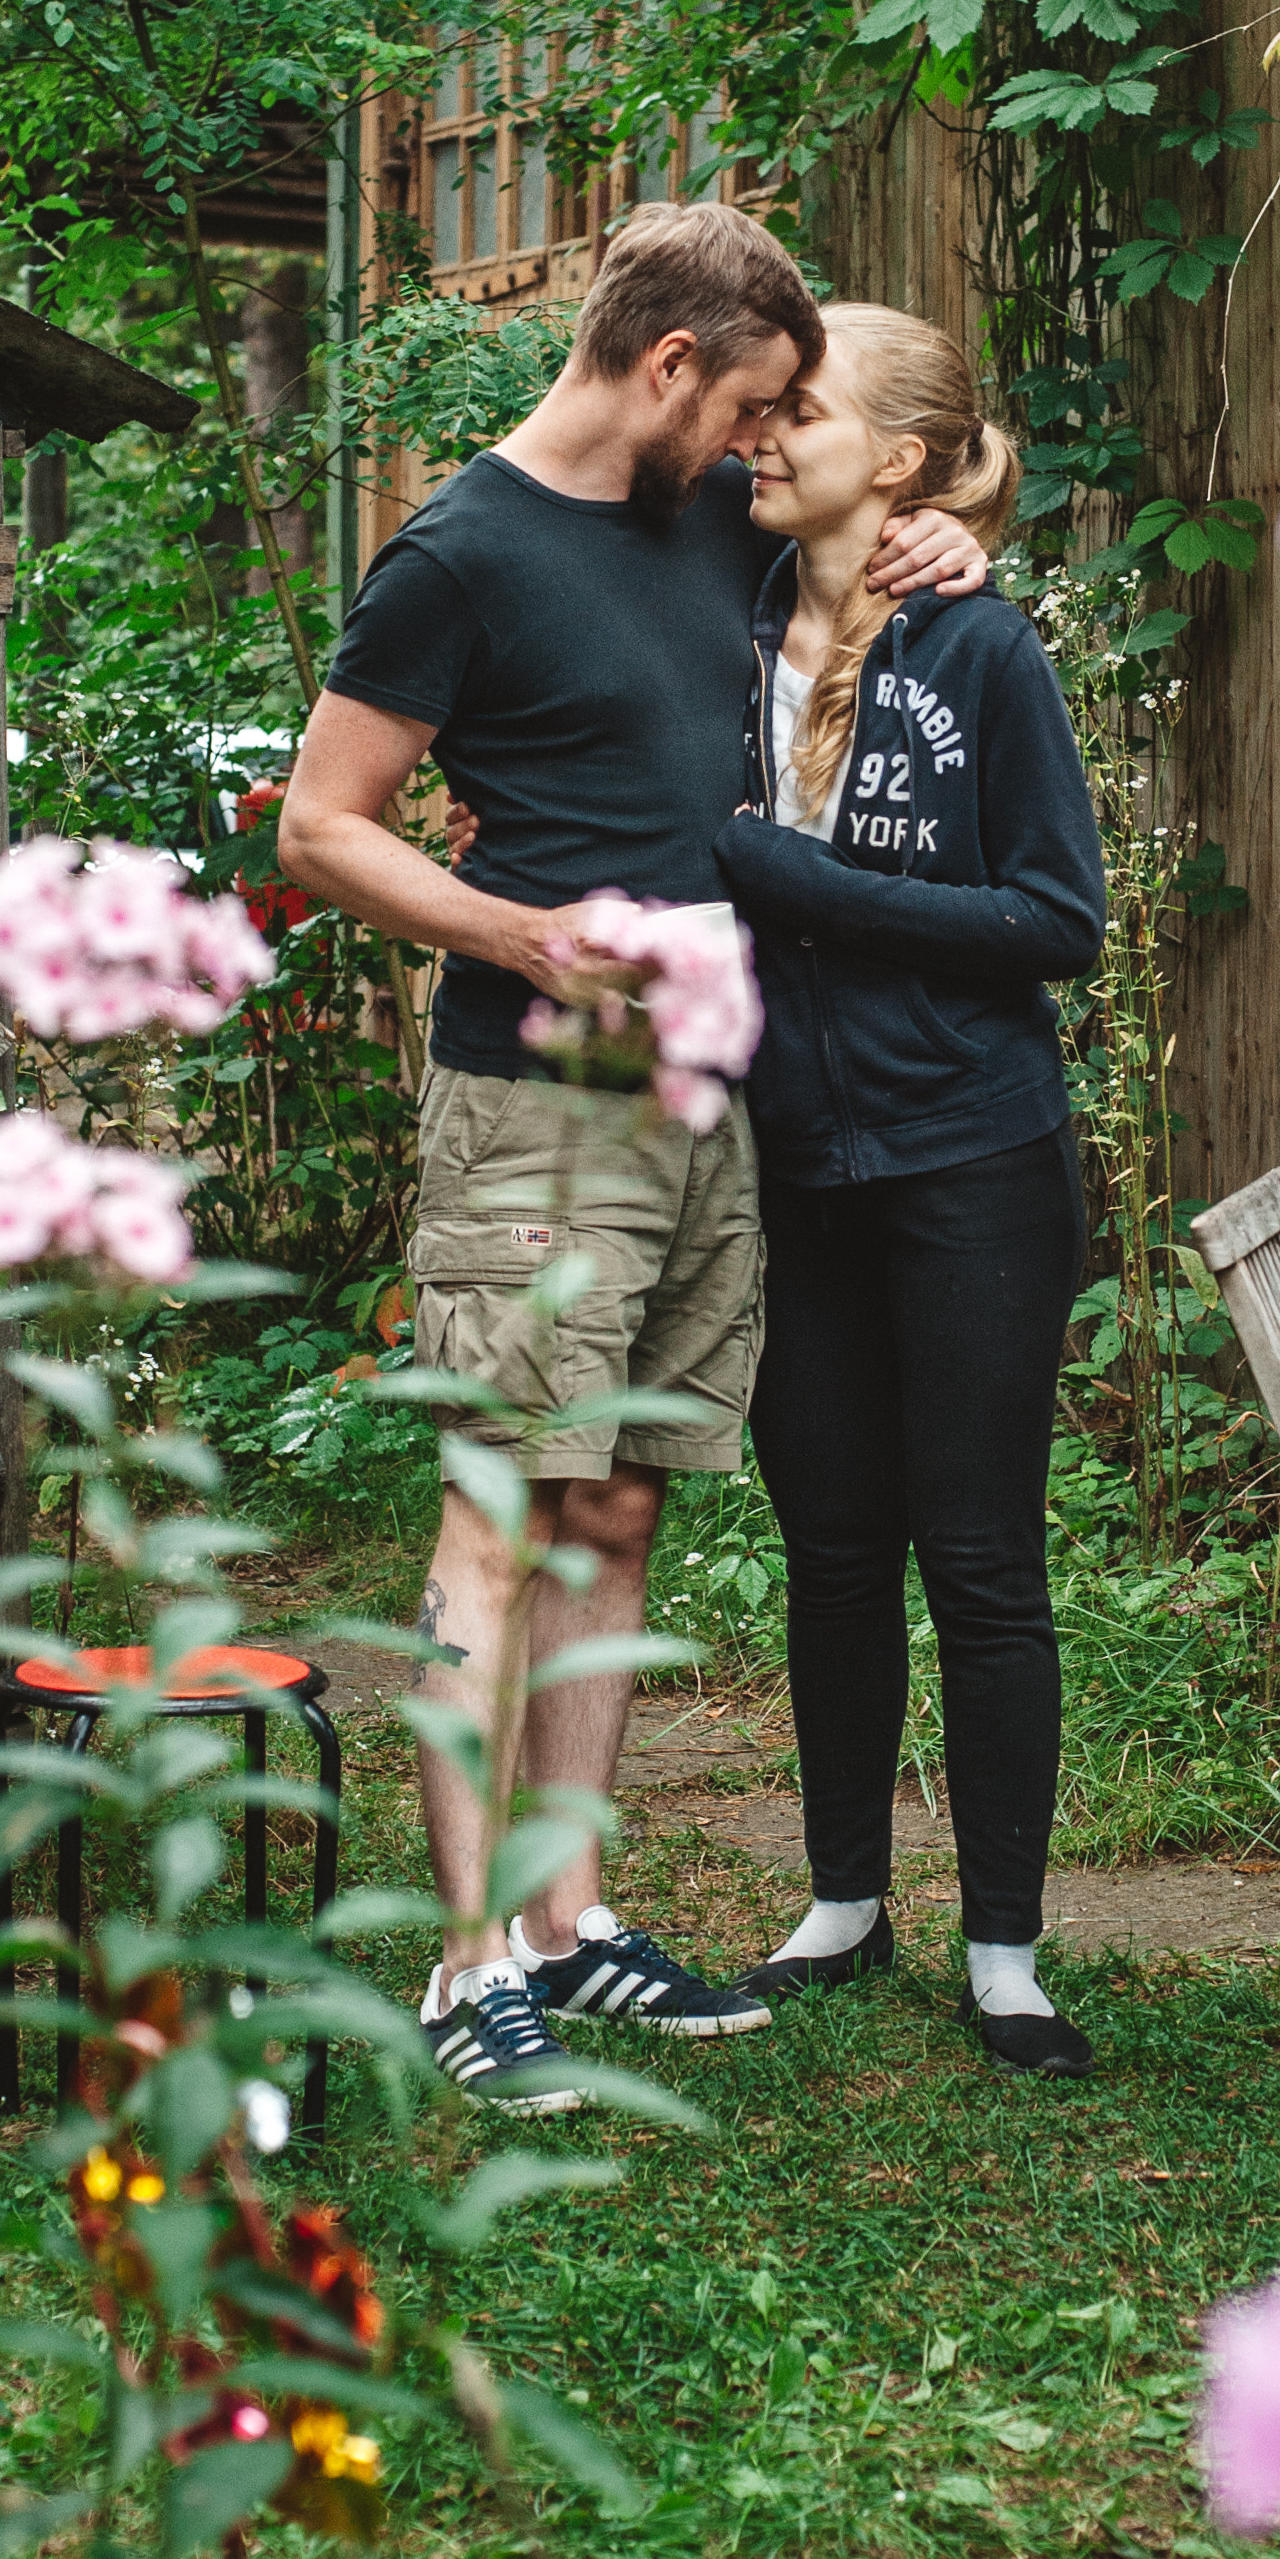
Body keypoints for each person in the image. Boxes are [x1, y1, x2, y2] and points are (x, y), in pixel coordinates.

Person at [275, 207, 988, 2114]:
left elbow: (900, 509)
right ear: (668, 367)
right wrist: (515, 931)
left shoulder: (711, 515)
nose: (762, 443)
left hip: (700, 1097)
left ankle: (571, 1919)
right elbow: (322, 826)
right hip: (537, 1102)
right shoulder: (461, 555)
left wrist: (952, 538)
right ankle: (466, 1960)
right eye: (747, 405)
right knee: (500, 1516)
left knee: (613, 1510)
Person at [713, 307, 1108, 2076]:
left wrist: (796, 883)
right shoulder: (718, 616)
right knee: (832, 1544)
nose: (761, 430)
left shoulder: (981, 648)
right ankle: (844, 1899)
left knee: (982, 1555)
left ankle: (1006, 1949)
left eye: (800, 409)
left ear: (897, 461)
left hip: (973, 1160)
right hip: (794, 1162)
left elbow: (1057, 918)